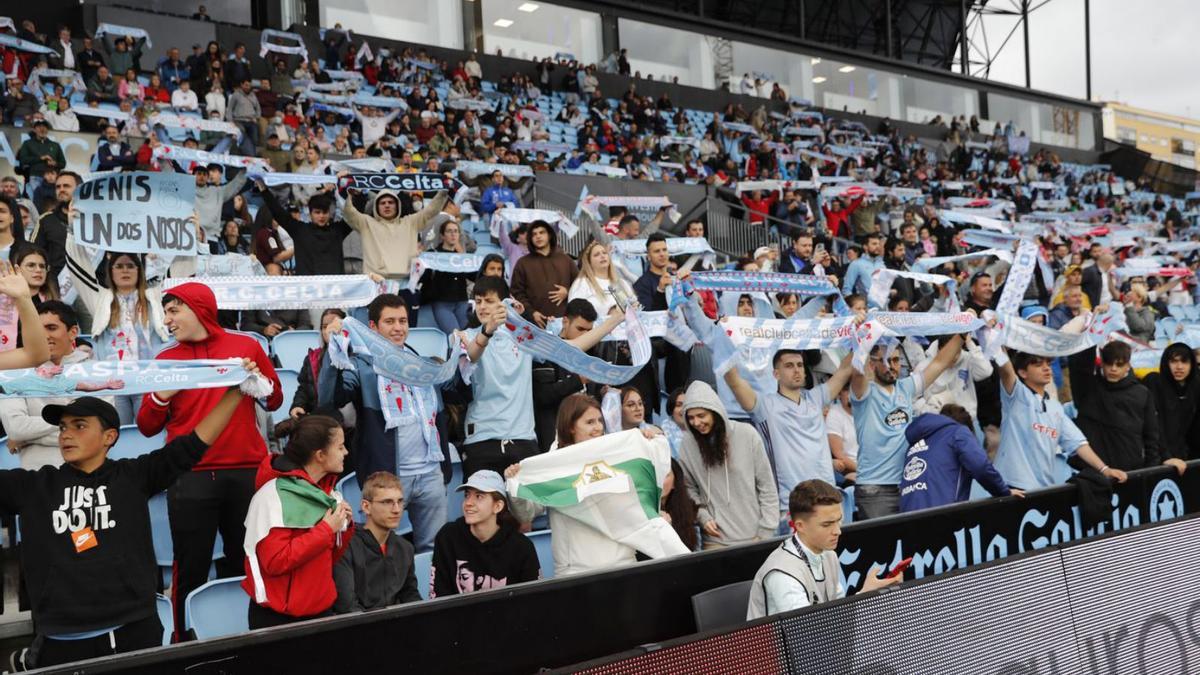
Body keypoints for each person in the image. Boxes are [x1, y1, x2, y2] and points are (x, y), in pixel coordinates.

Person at [3, 368, 252, 668]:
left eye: (79, 426)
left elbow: (194, 444)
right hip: (62, 638)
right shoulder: (34, 486)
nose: (66, 434)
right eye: (63, 428)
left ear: (109, 436)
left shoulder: (133, 476)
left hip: (134, 629)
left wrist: (237, 391)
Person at [137, 282, 283, 640]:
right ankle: (183, 640)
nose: (167, 320)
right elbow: (145, 425)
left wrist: (257, 378)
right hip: (189, 476)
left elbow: (275, 400)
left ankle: (249, 634)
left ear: (198, 308)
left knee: (245, 562)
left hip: (245, 471)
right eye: (165, 312)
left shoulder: (246, 346)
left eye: (174, 311)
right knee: (191, 567)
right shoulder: (165, 360)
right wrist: (160, 395)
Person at [318, 294, 447, 553]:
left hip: (431, 473)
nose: (398, 328)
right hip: (386, 476)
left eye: (403, 321)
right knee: (379, 550)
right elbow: (328, 399)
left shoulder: (420, 364)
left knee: (433, 551)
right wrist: (333, 350)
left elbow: (457, 389)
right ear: (373, 327)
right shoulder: (361, 365)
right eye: (390, 321)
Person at [459, 277, 621, 478]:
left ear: (505, 303)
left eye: (489, 301)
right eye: (478, 301)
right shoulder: (463, 335)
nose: (482, 307)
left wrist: (615, 321)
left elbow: (571, 347)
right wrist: (487, 331)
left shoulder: (522, 335)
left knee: (527, 510)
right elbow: (472, 355)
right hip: (481, 439)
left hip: (522, 439)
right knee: (482, 507)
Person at [242, 415, 353, 629]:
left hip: (321, 612)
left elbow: (331, 557)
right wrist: (326, 530)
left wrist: (344, 527)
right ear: (320, 455)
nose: (346, 452)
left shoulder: (328, 493)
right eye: (340, 447)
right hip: (279, 621)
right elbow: (275, 562)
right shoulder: (272, 496)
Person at [724, 350, 856, 515]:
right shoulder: (765, 406)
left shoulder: (816, 397)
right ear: (776, 373)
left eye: (800, 365)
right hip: (792, 504)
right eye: (789, 366)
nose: (797, 370)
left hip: (828, 497)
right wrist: (721, 342)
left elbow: (844, 370)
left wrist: (862, 332)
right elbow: (734, 381)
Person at [746, 480, 900, 620]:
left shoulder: (828, 555)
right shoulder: (782, 575)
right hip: (781, 650)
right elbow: (809, 633)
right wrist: (863, 596)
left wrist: (866, 594)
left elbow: (838, 611)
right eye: (827, 525)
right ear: (800, 526)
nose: (837, 531)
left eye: (839, 521)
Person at [850, 335, 964, 519]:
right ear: (872, 364)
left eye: (896, 360)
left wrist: (964, 334)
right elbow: (857, 373)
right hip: (875, 489)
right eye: (886, 360)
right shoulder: (864, 393)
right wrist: (864, 337)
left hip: (907, 483)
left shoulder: (905, 387)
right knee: (883, 547)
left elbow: (940, 363)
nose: (893, 365)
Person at [992, 349, 1128, 490]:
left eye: (1048, 364)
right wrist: (995, 341)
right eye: (1038, 365)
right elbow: (1006, 372)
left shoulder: (1055, 407)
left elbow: (1078, 444)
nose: (1046, 368)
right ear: (1022, 373)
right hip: (1011, 487)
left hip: (1041, 488)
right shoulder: (1017, 396)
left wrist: (1105, 470)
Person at [65, 243, 171, 420]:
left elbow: (179, 274)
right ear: (110, 271)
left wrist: (193, 237)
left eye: (131, 266)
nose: (125, 270)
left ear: (140, 270)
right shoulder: (100, 299)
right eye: (119, 266)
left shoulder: (154, 297)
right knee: (116, 436)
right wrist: (72, 232)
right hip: (112, 384)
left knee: (146, 435)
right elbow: (78, 269)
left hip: (148, 381)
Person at [0, 301, 108, 469]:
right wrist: (79, 425)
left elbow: (100, 430)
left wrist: (27, 438)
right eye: (37, 329)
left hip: (87, 478)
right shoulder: (14, 374)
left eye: (51, 328)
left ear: (73, 333)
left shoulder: (97, 371)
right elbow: (16, 428)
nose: (44, 336)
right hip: (36, 477)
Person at [676, 380, 777, 549]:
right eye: (691, 417)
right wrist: (702, 516)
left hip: (755, 537)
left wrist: (765, 533)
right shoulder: (687, 443)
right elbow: (688, 488)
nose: (696, 423)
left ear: (715, 412)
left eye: (701, 415)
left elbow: (767, 487)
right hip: (715, 541)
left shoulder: (747, 434)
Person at [430, 470, 539, 597]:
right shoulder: (447, 537)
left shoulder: (521, 547)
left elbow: (532, 601)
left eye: (479, 496)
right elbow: (438, 596)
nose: (468, 503)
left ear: (497, 506)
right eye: (467, 495)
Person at [1069, 341, 1171, 473]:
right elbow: (1079, 367)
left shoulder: (1142, 393)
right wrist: (1089, 337)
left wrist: (1151, 471)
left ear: (1128, 364)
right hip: (1090, 471)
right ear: (1102, 363)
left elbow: (1151, 436)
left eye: (1119, 364)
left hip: (1129, 472)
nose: (1113, 369)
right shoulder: (1088, 388)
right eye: (1109, 363)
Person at [899, 404, 1020, 513]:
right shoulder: (958, 432)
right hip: (941, 516)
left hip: (907, 518)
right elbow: (980, 466)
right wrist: (1004, 492)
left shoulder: (913, 445)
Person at [333, 471, 421, 612]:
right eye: (387, 502)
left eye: (400, 501)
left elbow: (410, 595)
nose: (397, 509)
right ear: (366, 506)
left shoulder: (405, 548)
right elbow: (347, 606)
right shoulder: (346, 546)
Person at [339, 172, 449, 283]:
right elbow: (349, 211)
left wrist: (443, 191)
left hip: (406, 284)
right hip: (375, 283)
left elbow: (431, 210)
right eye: (382, 203)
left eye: (391, 202)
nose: (387, 205)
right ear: (376, 207)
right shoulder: (366, 223)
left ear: (397, 205)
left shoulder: (411, 222)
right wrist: (344, 189)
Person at [531, 299, 594, 451]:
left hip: (586, 438)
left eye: (589, 331)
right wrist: (578, 380)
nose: (585, 335)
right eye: (580, 329)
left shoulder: (592, 352)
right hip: (555, 439)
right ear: (565, 322)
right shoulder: (547, 351)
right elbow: (542, 396)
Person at [510, 220, 576, 327]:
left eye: (542, 232)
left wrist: (567, 291)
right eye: (534, 234)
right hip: (535, 324)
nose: (538, 236)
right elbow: (517, 293)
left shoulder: (565, 259)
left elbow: (580, 284)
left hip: (565, 322)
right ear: (530, 239)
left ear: (549, 235)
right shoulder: (523, 263)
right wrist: (531, 313)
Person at [417, 219, 473, 334]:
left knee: (469, 335)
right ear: (442, 236)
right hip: (442, 302)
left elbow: (474, 276)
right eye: (449, 231)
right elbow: (423, 277)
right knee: (455, 336)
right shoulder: (433, 254)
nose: (453, 234)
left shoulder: (461, 255)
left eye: (456, 231)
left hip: (461, 301)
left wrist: (464, 257)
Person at [568, 240, 634, 318]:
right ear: (589, 262)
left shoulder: (621, 283)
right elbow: (573, 314)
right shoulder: (582, 283)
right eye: (596, 255)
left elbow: (634, 308)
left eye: (604, 253)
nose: (602, 256)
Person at [660, 458, 699, 550]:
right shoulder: (639, 511)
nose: (658, 480)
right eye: (653, 474)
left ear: (675, 482)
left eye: (665, 475)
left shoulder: (687, 510)